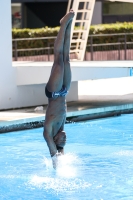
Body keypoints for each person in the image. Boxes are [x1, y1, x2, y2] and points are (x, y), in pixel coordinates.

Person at [43, 10, 75, 169]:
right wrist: (61, 150)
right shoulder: (61, 127)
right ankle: (69, 25)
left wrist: (55, 152)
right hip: (63, 91)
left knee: (59, 61)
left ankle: (63, 24)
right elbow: (61, 153)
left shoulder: (49, 131)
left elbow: (54, 155)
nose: (64, 139)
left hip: (53, 93)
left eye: (62, 140)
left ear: (55, 140)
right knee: (67, 59)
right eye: (65, 141)